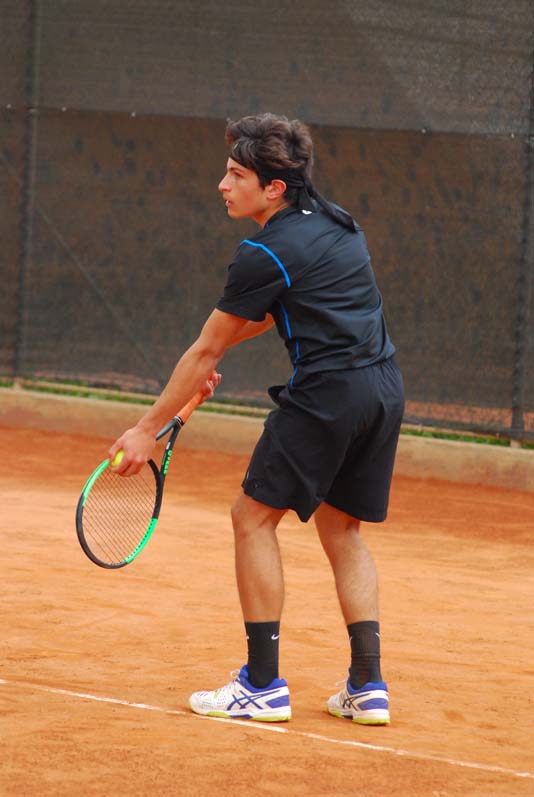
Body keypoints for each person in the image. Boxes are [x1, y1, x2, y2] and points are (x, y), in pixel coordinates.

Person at [109, 113, 404, 726]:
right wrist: (212, 361)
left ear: (274, 188)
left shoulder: (263, 251)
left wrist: (146, 430)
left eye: (236, 175)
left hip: (328, 395)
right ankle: (367, 685)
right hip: (383, 391)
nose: (222, 185)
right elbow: (275, 313)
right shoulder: (339, 223)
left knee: (251, 517)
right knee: (342, 530)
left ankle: (262, 685)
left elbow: (205, 349)